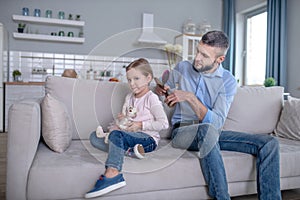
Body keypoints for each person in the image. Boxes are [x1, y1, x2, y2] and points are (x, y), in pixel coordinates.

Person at [155, 30, 281, 200]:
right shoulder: (182, 68)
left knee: (269, 143)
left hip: (212, 132)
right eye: (198, 51)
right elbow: (165, 91)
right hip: (182, 131)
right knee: (207, 130)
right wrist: (161, 91)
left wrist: (191, 98)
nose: (197, 58)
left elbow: (217, 123)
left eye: (204, 55)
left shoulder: (227, 81)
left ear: (219, 59)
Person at [85, 58, 169, 199]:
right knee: (94, 137)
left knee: (116, 136)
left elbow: (164, 123)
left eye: (136, 78)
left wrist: (140, 125)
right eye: (129, 80)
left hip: (147, 139)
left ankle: (113, 174)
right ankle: (130, 152)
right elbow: (126, 120)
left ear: (148, 78)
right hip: (129, 136)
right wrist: (121, 119)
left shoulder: (151, 98)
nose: (132, 83)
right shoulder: (129, 97)